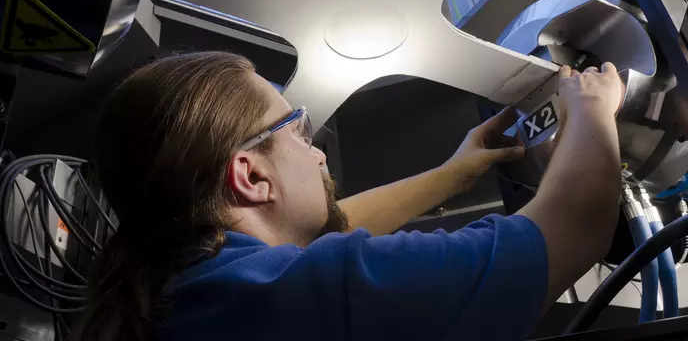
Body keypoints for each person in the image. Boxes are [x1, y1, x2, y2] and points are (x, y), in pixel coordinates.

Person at [73, 52, 622, 341]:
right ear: (250, 176)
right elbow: (577, 225)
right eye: (299, 130)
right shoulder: (312, 295)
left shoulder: (193, 295)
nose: (318, 156)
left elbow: (321, 241)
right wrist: (592, 107)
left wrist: (450, 176)